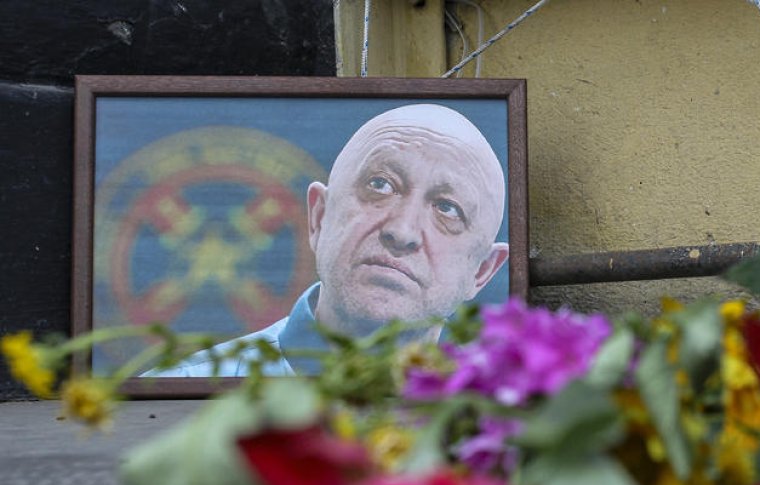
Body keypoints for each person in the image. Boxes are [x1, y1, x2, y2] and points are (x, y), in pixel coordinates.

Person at [150, 103, 509, 377]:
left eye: (447, 209)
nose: (402, 232)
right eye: (380, 185)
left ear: (482, 271)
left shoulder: (510, 429)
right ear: (319, 216)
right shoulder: (171, 397)